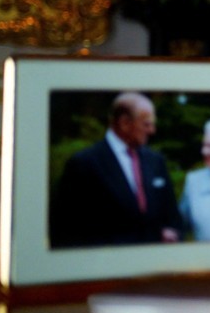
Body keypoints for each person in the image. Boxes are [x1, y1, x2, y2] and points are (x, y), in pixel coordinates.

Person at [51, 92, 181, 248]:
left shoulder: (155, 161)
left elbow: (172, 215)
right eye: (146, 124)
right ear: (125, 123)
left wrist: (172, 233)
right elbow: (65, 229)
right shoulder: (84, 163)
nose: (152, 130)